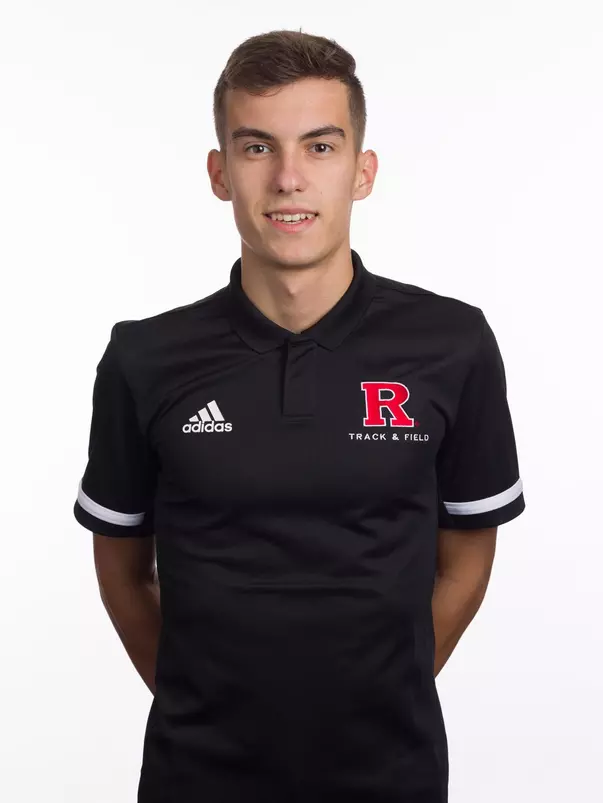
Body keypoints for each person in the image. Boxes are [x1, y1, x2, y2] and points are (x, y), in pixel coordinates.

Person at [73, 29, 526, 803]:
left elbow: (465, 559)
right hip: (197, 779)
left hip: (392, 775)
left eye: (320, 147)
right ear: (220, 173)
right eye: (257, 148)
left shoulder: (451, 344)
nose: (288, 178)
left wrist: (380, 692)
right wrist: (208, 707)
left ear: (361, 171)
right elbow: (122, 570)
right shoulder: (145, 357)